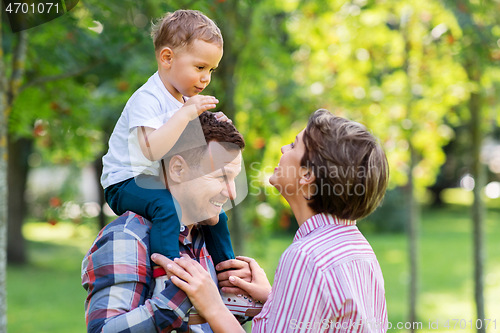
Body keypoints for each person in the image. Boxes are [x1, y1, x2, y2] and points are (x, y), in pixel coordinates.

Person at [156, 109, 390, 333]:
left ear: (307, 175)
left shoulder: (306, 258)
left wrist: (213, 306)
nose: (282, 148)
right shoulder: (360, 250)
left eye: (294, 145)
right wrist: (276, 297)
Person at [83, 112, 261, 333]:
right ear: (177, 169)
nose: (232, 193)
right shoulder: (128, 237)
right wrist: (182, 292)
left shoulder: (204, 236)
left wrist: (249, 297)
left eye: (234, 178)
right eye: (220, 177)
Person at [100, 9, 235, 294]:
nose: (206, 78)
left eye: (211, 70)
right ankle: (168, 276)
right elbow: (151, 151)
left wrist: (214, 123)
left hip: (160, 180)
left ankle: (230, 280)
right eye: (200, 68)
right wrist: (186, 115)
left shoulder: (185, 100)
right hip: (126, 183)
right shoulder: (147, 99)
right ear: (167, 58)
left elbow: (193, 149)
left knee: (217, 216)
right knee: (166, 207)